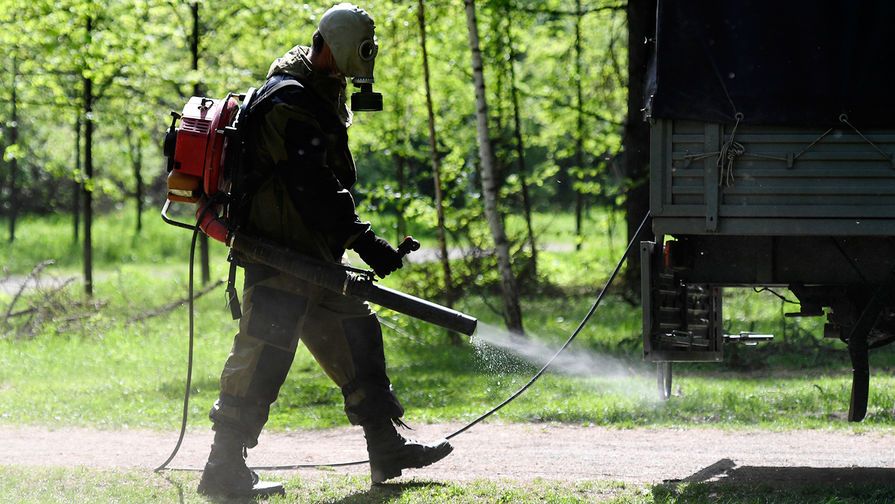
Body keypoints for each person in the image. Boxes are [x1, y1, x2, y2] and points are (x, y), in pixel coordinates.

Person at [197, 3, 453, 497]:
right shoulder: (288, 101)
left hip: (314, 259)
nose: (362, 62)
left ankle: (385, 447)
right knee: (263, 357)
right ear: (334, 46)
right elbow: (313, 186)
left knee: (357, 334)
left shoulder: (315, 90)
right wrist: (366, 241)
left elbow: (320, 186)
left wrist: (352, 242)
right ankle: (222, 468)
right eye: (359, 51)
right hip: (279, 258)